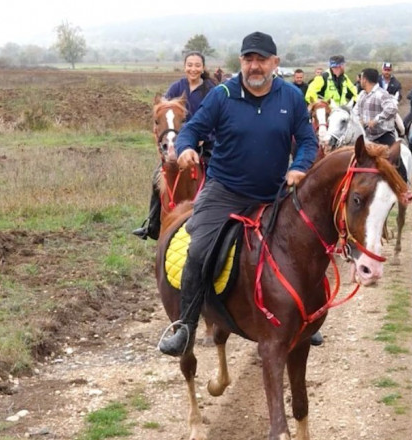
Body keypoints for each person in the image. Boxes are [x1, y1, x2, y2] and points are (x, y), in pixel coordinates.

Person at [157, 31, 318, 357]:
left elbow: (308, 141)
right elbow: (192, 129)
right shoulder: (223, 95)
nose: (254, 66)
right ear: (241, 62)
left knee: (305, 247)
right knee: (199, 248)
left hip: (273, 193)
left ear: (275, 62)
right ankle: (186, 325)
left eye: (261, 59)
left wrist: (299, 166)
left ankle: (307, 318)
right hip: (224, 191)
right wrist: (186, 147)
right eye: (248, 59)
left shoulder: (291, 98)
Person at [133, 51, 216, 240]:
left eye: (197, 65)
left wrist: (203, 137)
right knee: (157, 177)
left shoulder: (211, 90)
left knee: (215, 175)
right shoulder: (176, 87)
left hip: (206, 145)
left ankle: (214, 221)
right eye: (190, 65)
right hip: (178, 145)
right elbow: (165, 114)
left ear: (203, 68)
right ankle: (153, 224)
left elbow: (217, 119)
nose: (193, 69)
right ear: (184, 66)